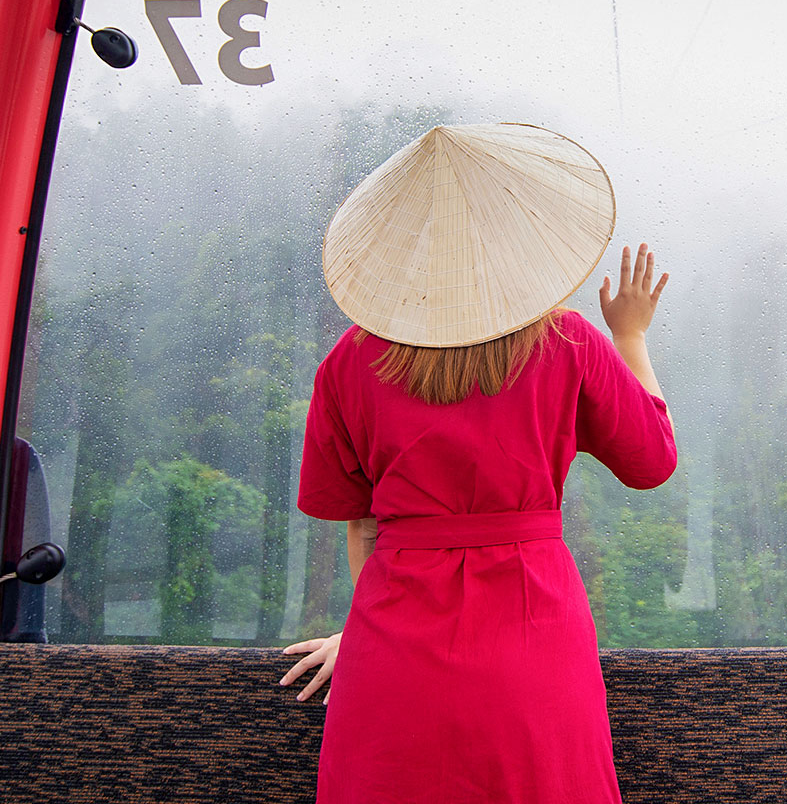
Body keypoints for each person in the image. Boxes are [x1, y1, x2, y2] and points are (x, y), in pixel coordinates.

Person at [278, 122, 677, 804]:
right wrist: (631, 334)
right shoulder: (568, 341)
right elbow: (653, 461)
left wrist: (369, 627)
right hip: (536, 647)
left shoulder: (349, 360)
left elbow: (363, 526)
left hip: (391, 657)